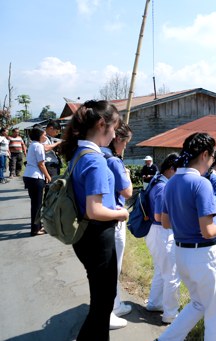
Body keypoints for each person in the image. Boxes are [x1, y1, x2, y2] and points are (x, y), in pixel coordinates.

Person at [60, 100, 129, 341]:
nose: (114, 135)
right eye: (113, 128)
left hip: (85, 238)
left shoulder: (80, 153)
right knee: (102, 306)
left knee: (100, 302)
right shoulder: (96, 160)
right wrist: (121, 213)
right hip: (98, 238)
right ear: (102, 124)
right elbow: (95, 209)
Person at [158, 132, 216, 341]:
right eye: (213, 157)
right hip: (204, 256)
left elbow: (165, 222)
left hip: (181, 253)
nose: (212, 162)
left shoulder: (171, 182)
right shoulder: (201, 184)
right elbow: (208, 231)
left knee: (198, 304)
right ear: (205, 154)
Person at [100, 121, 134, 330]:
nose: (126, 147)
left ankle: (116, 303)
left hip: (102, 217)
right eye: (126, 142)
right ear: (118, 139)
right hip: (114, 218)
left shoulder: (99, 155)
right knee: (113, 267)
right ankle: (108, 312)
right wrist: (128, 175)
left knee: (111, 267)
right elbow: (127, 192)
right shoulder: (113, 161)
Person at [146, 153, 181, 325]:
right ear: (171, 169)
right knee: (172, 276)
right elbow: (159, 216)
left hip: (156, 233)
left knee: (161, 271)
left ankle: (154, 303)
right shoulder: (163, 187)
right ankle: (171, 314)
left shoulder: (157, 181)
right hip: (163, 232)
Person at [22, 126, 51, 236]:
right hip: (36, 177)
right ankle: (35, 229)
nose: (45, 136)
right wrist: (48, 177)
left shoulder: (32, 145)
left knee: (35, 204)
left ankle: (37, 226)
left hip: (29, 176)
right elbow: (41, 164)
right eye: (44, 134)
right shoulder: (38, 146)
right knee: (37, 205)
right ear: (39, 136)